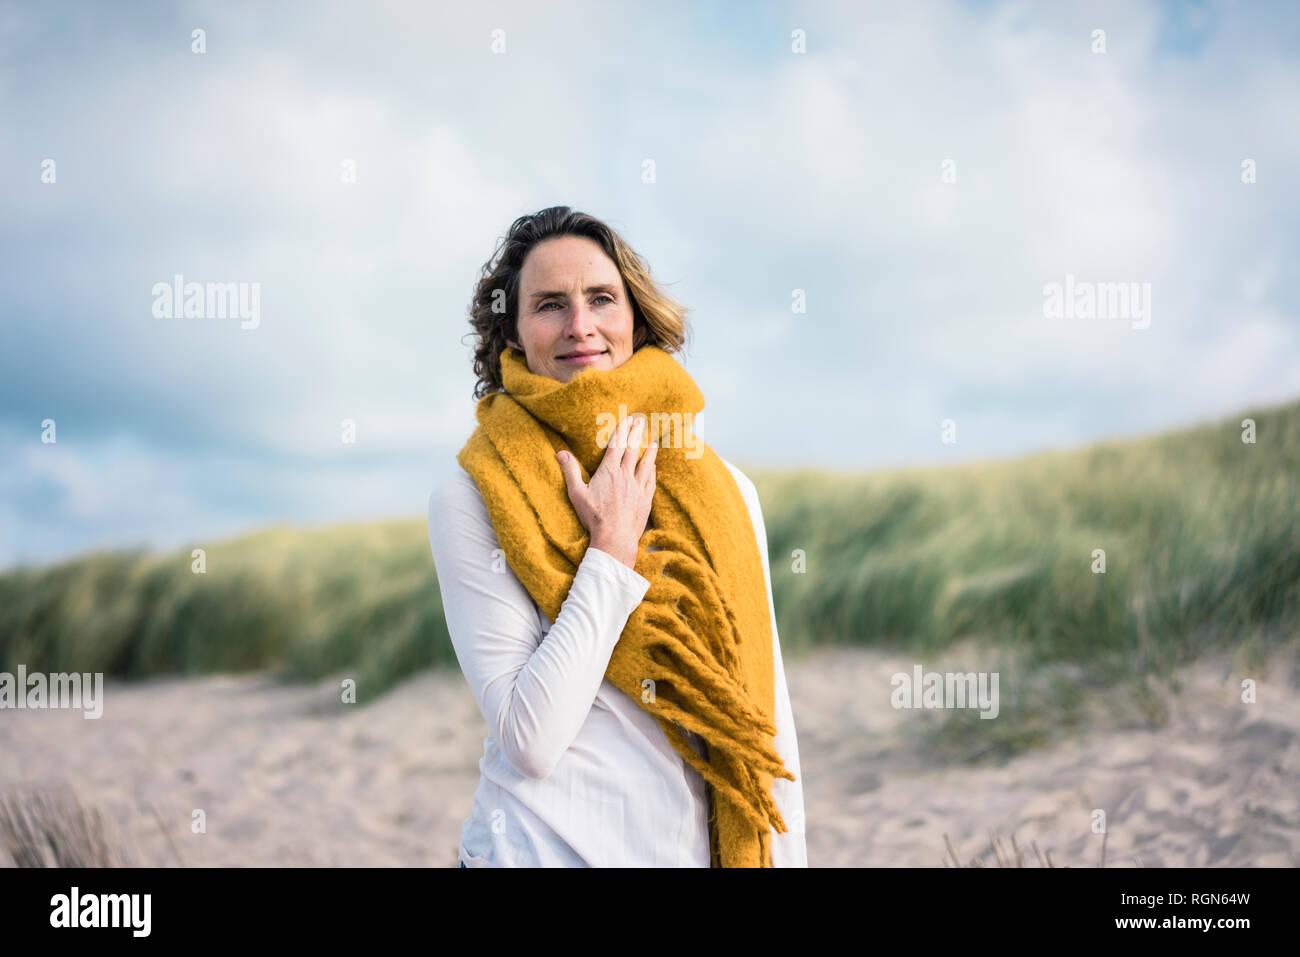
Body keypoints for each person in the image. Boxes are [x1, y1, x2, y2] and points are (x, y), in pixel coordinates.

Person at [427, 206, 806, 867]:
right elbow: (531, 737)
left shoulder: (727, 490)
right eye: (549, 304)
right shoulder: (474, 493)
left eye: (601, 298)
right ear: (512, 333)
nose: (581, 326)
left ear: (635, 315)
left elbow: (765, 717)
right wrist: (610, 550)